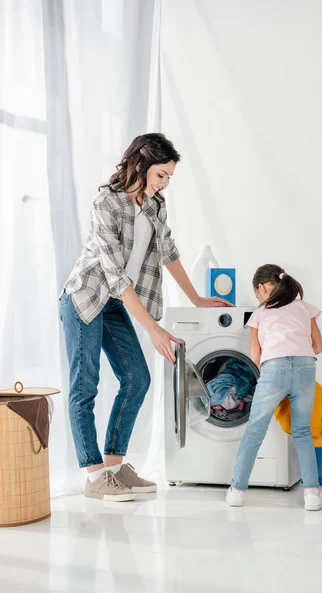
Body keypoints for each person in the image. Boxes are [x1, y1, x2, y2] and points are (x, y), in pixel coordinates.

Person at [59, 133, 232, 502]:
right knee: (84, 386)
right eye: (161, 175)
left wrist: (198, 299)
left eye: (169, 177)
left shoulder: (155, 205)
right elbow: (115, 276)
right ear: (140, 165)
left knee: (137, 378)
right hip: (86, 298)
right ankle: (94, 476)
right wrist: (153, 329)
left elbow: (169, 252)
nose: (165, 183)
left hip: (118, 302)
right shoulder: (106, 202)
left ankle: (116, 466)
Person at [226, 264, 322, 511]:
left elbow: (254, 353)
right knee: (302, 431)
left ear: (261, 287)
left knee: (254, 431)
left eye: (257, 294)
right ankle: (312, 495)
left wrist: (272, 370)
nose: (258, 298)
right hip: (305, 367)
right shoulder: (305, 308)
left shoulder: (260, 313)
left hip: (273, 368)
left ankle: (237, 491)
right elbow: (318, 346)